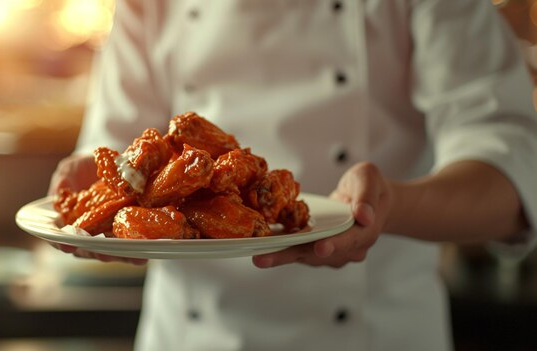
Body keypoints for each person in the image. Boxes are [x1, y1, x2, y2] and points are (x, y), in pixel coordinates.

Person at [48, 1, 537, 350]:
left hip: (373, 330)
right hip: (189, 334)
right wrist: (97, 187)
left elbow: (513, 176)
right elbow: (119, 151)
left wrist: (388, 205)